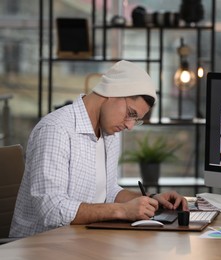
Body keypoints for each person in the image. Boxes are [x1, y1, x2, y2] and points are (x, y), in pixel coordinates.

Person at [10, 60, 188, 238]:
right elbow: (51, 209)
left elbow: (108, 191)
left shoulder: (109, 134)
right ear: (112, 91)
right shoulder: (56, 130)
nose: (130, 126)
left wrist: (152, 199)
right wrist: (122, 211)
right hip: (41, 247)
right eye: (131, 114)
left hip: (82, 240)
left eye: (136, 120)